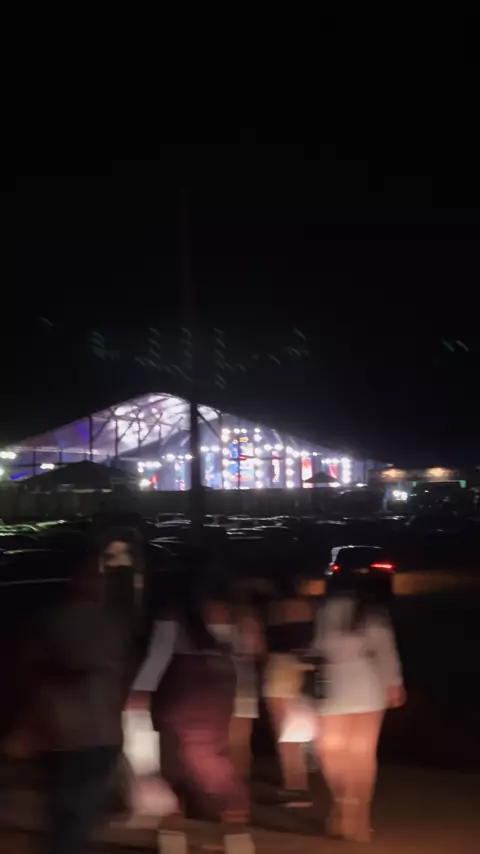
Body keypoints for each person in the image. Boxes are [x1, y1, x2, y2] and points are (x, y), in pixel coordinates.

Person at [129, 553, 254, 854]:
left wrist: (139, 693)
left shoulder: (174, 615)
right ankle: (237, 839)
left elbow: (158, 657)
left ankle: (173, 842)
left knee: (174, 769)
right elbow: (243, 661)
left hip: (182, 692)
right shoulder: (235, 615)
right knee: (215, 765)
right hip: (218, 696)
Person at [29, 552, 129, 854]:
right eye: (96, 577)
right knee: (73, 822)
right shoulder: (100, 623)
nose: (101, 584)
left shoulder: (102, 622)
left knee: (70, 822)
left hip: (76, 736)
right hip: (82, 736)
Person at [312, 577, 406, 842]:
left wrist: (393, 682)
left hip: (349, 682)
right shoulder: (361, 610)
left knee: (344, 750)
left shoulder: (335, 610)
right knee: (347, 751)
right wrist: (394, 682)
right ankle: (353, 812)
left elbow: (383, 649)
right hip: (353, 683)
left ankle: (349, 809)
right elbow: (385, 650)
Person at [263, 563, 314, 805]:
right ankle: (298, 781)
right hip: (303, 667)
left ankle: (295, 785)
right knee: (297, 726)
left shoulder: (274, 609)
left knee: (284, 729)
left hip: (279, 667)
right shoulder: (307, 607)